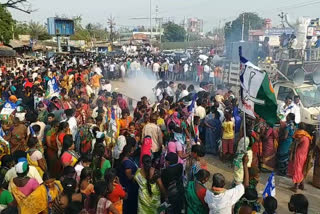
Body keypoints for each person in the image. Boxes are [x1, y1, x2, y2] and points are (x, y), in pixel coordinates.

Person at [288, 123, 312, 192]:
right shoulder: (307, 137)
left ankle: (296, 186)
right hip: (304, 155)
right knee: (301, 169)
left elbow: (295, 144)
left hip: (299, 155)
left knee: (297, 169)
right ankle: (301, 185)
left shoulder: (301, 136)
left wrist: (292, 152)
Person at [116, 142, 139, 214]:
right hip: (129, 188)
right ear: (129, 152)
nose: (133, 151)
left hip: (127, 187)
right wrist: (137, 176)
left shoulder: (126, 159)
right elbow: (129, 176)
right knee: (129, 207)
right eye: (132, 150)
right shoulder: (127, 163)